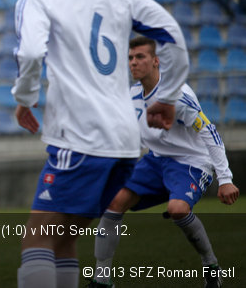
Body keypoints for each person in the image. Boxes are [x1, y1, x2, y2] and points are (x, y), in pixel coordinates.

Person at [11, 0, 190, 288]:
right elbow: (172, 36)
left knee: (38, 237)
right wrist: (168, 97)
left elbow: (29, 52)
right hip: (124, 141)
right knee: (64, 239)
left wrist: (25, 97)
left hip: (80, 136)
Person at [89, 36, 239, 288]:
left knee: (178, 210)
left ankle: (211, 267)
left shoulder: (177, 95)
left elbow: (209, 132)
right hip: (155, 160)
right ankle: (102, 279)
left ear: (156, 61)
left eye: (140, 57)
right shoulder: (132, 94)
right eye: (130, 58)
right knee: (113, 202)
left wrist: (225, 179)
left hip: (191, 162)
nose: (133, 63)